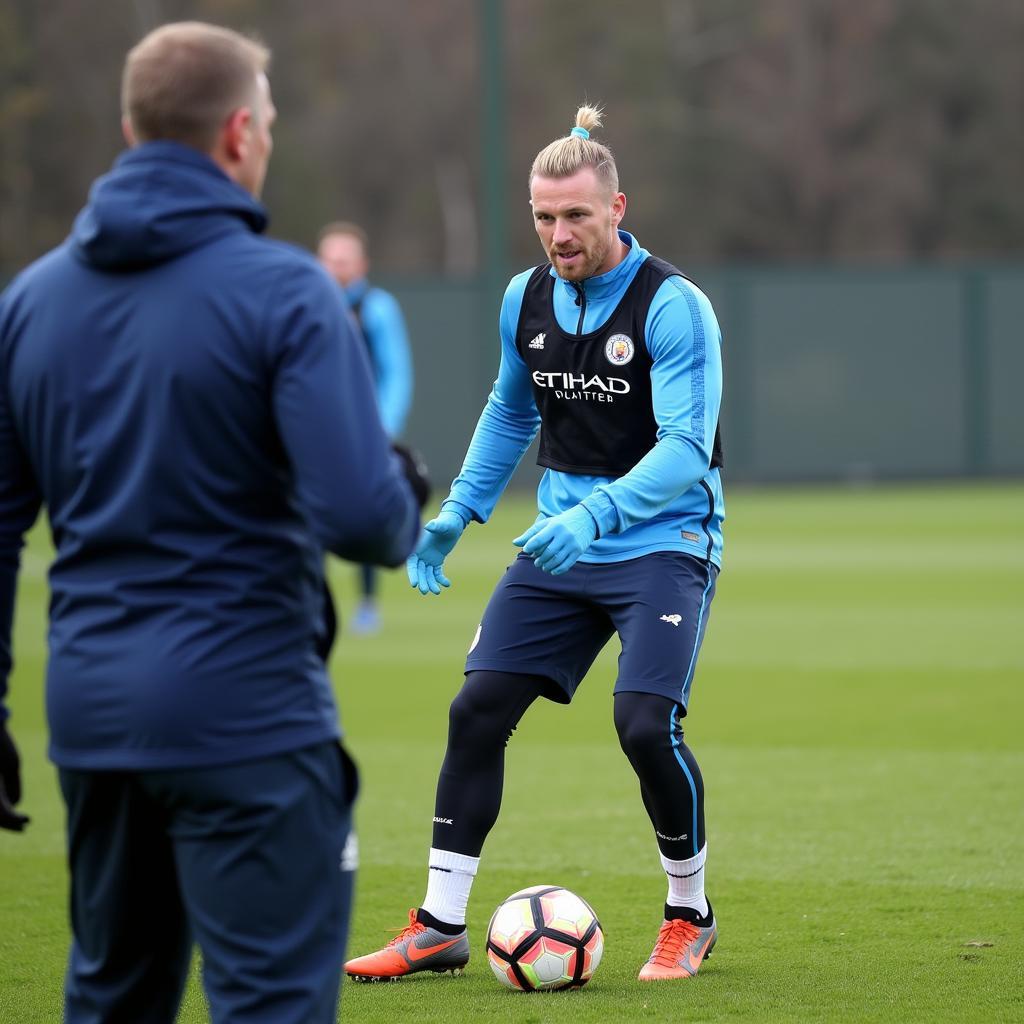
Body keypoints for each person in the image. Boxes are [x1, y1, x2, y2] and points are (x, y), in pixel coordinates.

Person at [0, 21, 423, 1024]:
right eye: (268, 121)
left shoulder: (30, 302)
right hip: (246, 716)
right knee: (269, 1003)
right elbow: (363, 518)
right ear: (240, 133)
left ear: (128, 128)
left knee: (112, 998)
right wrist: (400, 486)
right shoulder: (286, 291)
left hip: (92, 721)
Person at [344, 104, 725, 984]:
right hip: (562, 544)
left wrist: (593, 518)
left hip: (664, 542)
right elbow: (511, 409)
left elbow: (684, 449)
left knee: (642, 723)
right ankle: (439, 926)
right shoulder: (525, 297)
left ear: (617, 207)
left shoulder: (674, 307)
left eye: (577, 216)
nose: (559, 234)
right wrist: (457, 513)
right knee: (475, 711)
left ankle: (688, 913)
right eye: (544, 217)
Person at [318, 222, 414, 634]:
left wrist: (382, 430)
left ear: (362, 264)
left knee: (363, 514)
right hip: (315, 433)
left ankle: (368, 604)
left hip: (362, 435)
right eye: (330, 259)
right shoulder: (306, 303)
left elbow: (396, 372)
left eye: (345, 259)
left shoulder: (377, 308)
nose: (337, 267)